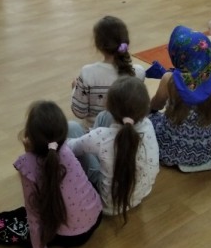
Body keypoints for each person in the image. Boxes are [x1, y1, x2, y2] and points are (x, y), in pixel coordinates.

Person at [0, 100, 102, 248]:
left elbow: (34, 216)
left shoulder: (27, 165)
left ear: (28, 136)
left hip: (70, 236)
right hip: (96, 217)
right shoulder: (65, 149)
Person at [68, 76, 159, 219]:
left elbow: (72, 148)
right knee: (103, 119)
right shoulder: (148, 125)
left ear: (108, 105)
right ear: (146, 107)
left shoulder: (102, 136)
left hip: (107, 204)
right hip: (140, 193)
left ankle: (92, 142)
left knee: (72, 127)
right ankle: (94, 145)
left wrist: (90, 139)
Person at [149, 26, 211, 171]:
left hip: (172, 151)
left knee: (150, 119)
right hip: (205, 151)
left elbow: (156, 105)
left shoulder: (170, 79)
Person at [71, 16, 145, 130]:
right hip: (128, 134)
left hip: (93, 134)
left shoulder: (88, 73)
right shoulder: (138, 73)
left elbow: (79, 112)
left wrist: (75, 89)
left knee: (72, 126)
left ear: (98, 44)